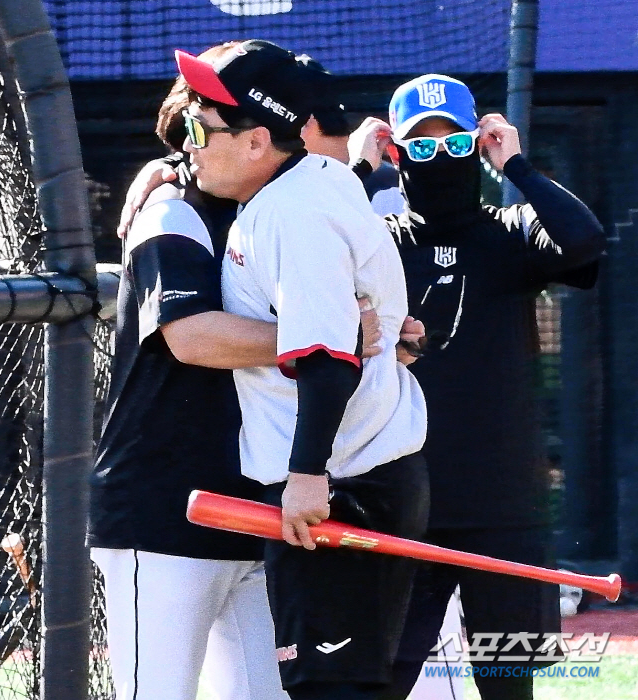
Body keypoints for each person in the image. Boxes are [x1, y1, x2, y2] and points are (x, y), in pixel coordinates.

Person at [175, 39, 428, 700]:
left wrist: (307, 475)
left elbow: (326, 359)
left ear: (257, 141)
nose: (188, 145)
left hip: (342, 483)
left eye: (200, 129)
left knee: (331, 690)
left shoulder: (292, 213)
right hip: (358, 473)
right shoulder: (305, 185)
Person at [348, 74, 606, 700]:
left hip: (505, 507)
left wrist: (515, 164)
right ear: (397, 151)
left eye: (456, 144)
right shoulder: (378, 238)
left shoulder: (513, 229)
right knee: (377, 683)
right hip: (402, 498)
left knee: (507, 685)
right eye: (422, 146)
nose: (440, 158)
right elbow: (307, 249)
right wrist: (357, 171)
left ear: (479, 143)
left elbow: (584, 242)